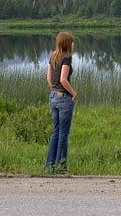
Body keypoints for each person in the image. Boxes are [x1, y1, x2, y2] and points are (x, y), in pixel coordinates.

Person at [46, 32, 77, 173]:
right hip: (64, 98)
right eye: (71, 42)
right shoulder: (67, 58)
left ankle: (49, 166)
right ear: (66, 43)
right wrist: (73, 93)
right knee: (64, 134)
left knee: (56, 132)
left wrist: (54, 91)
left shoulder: (53, 56)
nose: (73, 44)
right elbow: (63, 80)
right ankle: (61, 168)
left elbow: (49, 78)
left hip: (53, 97)